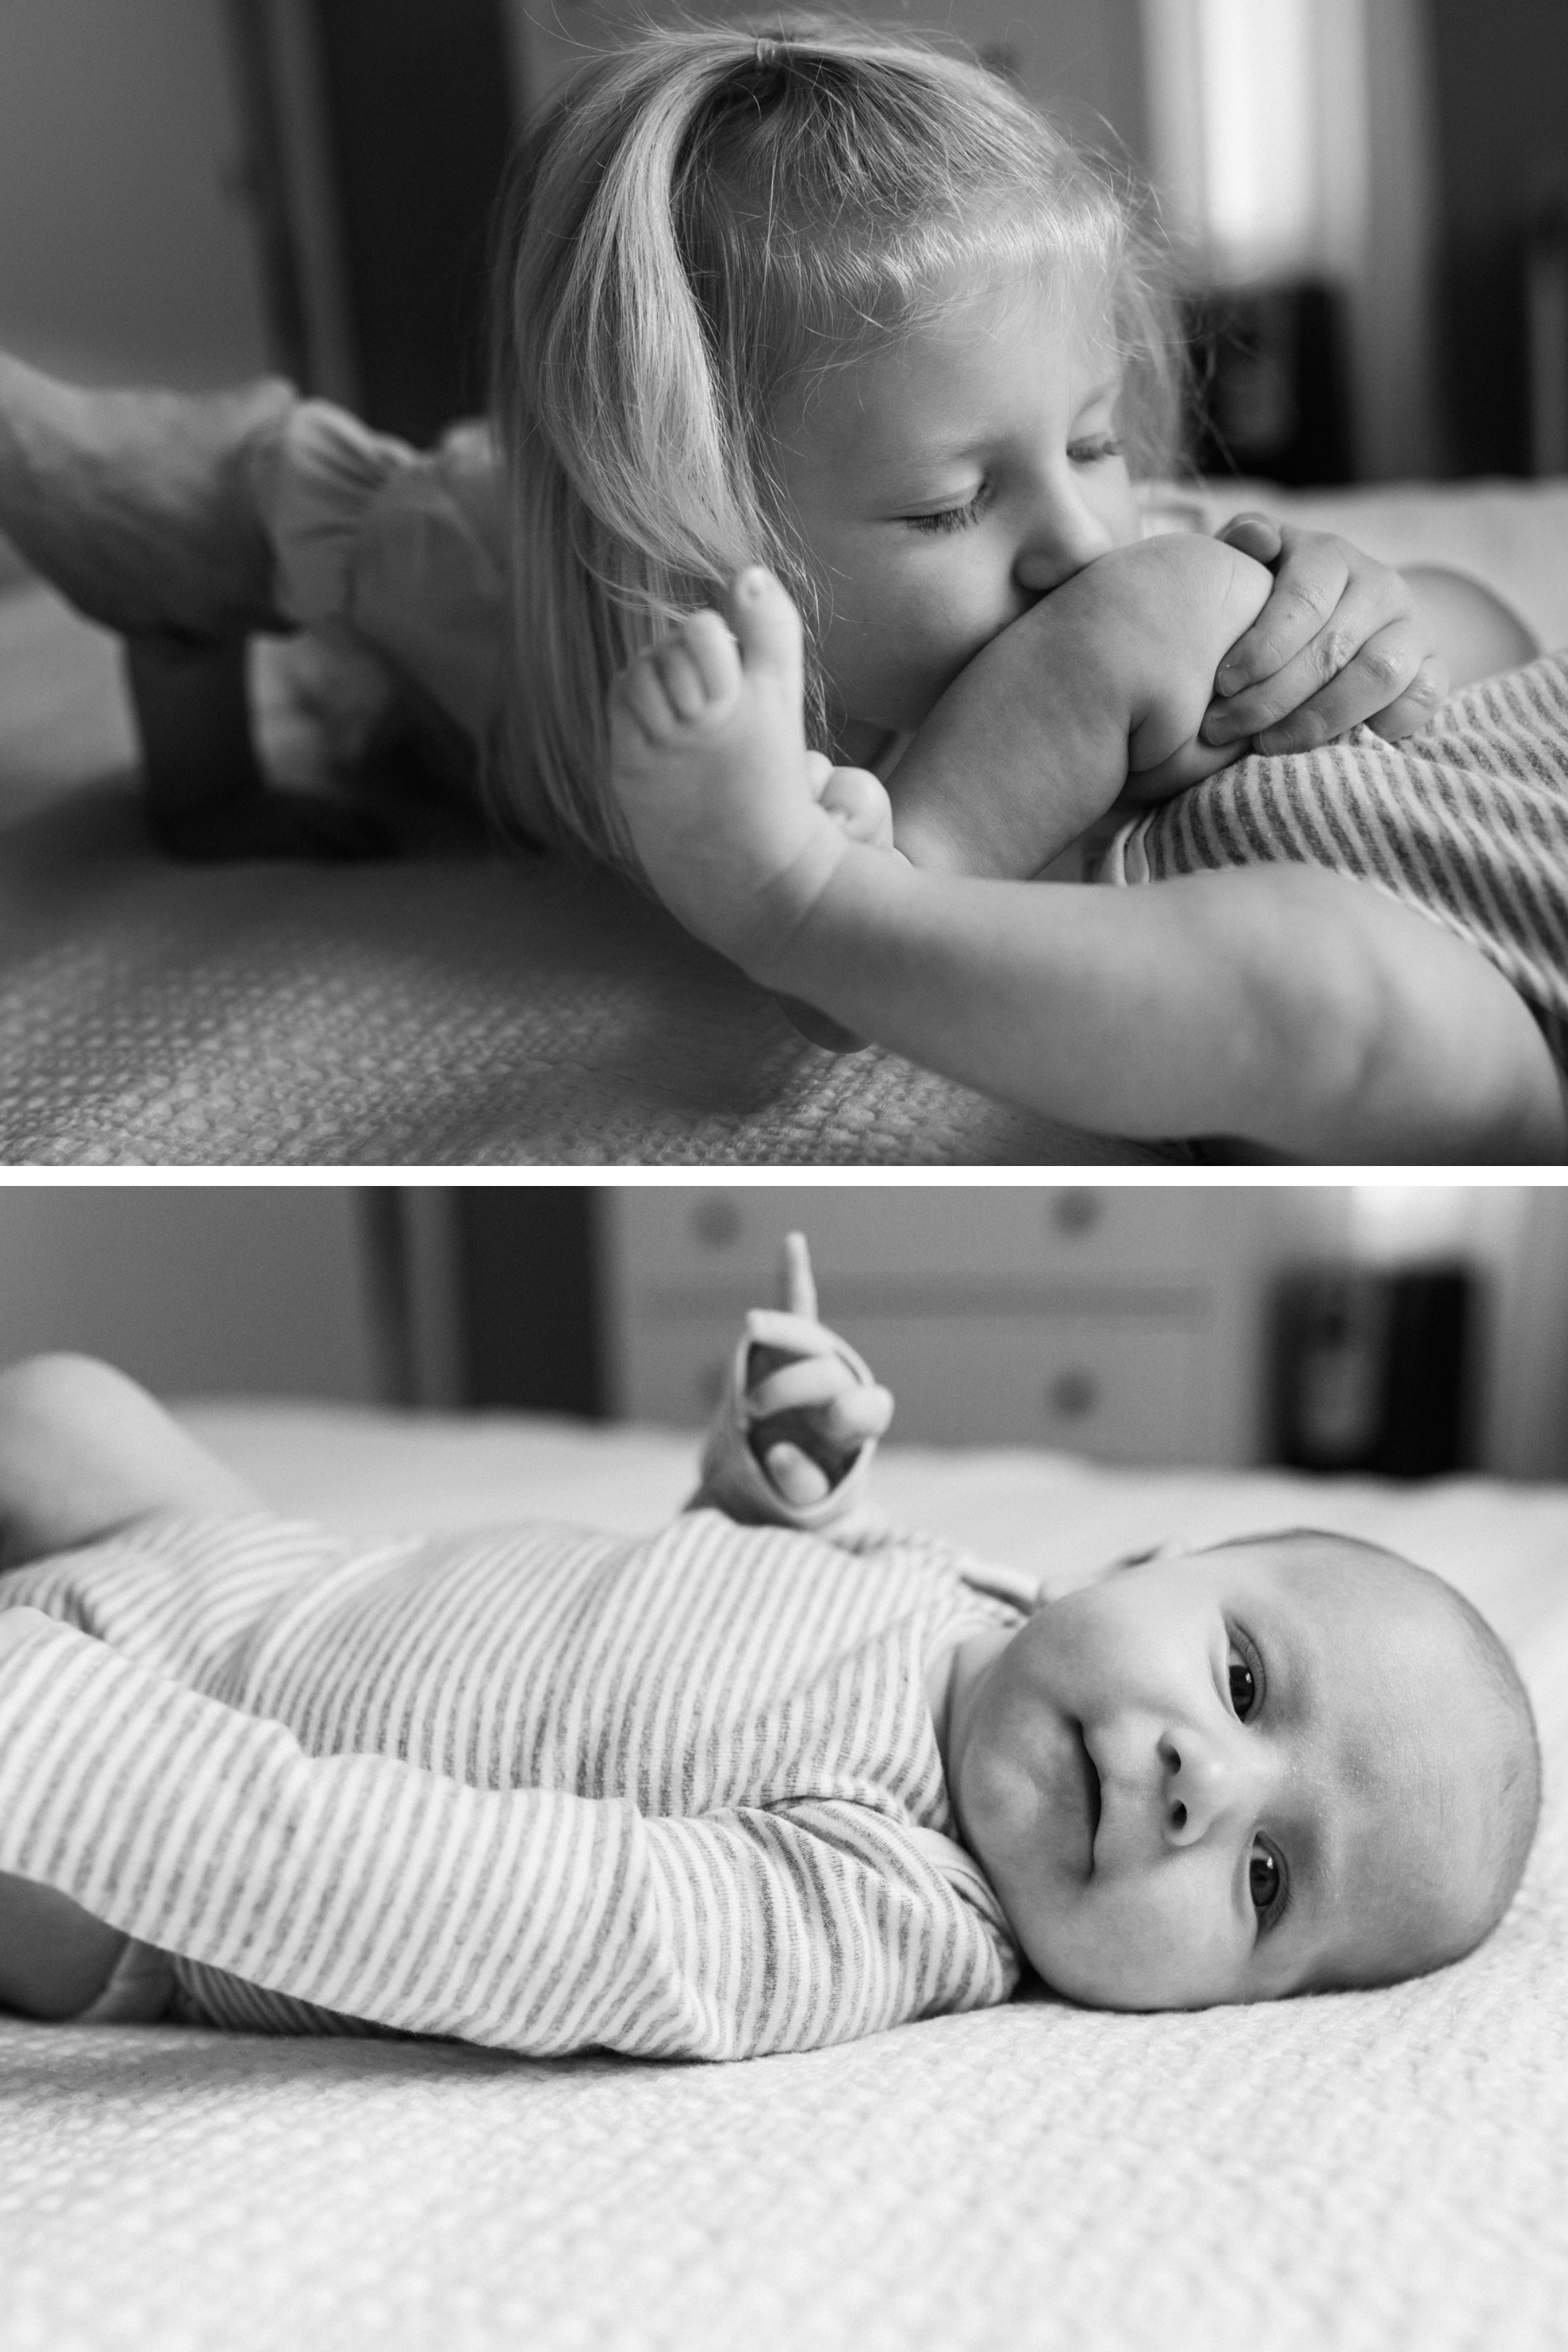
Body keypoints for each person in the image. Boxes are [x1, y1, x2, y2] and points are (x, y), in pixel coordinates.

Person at [0, 17, 1506, 880]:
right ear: (681, 528)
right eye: (945, 505)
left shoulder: (1098, 571)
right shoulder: (462, 575)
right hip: (469, 547)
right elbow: (215, 545)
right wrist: (210, 801)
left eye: (1096, 439)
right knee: (187, 493)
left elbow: (1493, 635)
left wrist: (1361, 605)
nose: (1080, 541)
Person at [0, 1239, 1542, 2050]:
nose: (1204, 1783)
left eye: (1264, 1883)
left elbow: (495, 1912)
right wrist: (755, 1487)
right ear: (1134, 1563)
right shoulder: (970, 1596)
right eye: (1242, 1681)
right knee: (59, 1405)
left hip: (146, 1866)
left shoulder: (878, 1908)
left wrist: (72, 1756)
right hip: (282, 1579)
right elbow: (684, 1624)